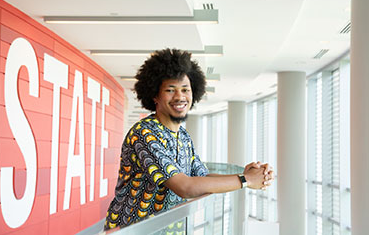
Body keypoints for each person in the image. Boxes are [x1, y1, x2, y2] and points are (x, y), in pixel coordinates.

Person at [104, 49, 274, 230]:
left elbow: (202, 177)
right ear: (155, 95)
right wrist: (245, 180)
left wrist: (245, 175)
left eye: (185, 89)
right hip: (133, 231)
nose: (180, 96)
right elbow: (184, 186)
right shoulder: (145, 133)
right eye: (170, 90)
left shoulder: (183, 136)